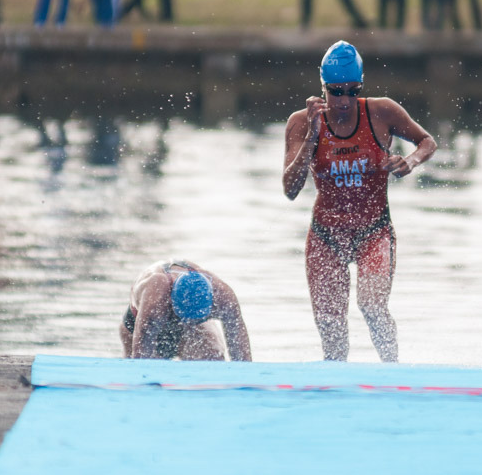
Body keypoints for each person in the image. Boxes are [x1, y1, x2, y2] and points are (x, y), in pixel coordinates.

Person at [282, 41, 437, 362]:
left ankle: (392, 370)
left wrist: (410, 161)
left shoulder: (382, 112)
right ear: (323, 87)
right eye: (336, 92)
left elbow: (427, 141)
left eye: (353, 91)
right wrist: (312, 136)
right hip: (326, 237)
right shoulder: (302, 122)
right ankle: (336, 383)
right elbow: (290, 189)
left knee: (372, 306)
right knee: (331, 327)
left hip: (374, 232)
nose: (344, 101)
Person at [120, 259, 252, 361]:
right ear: (171, 300)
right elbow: (140, 360)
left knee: (214, 356)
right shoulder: (156, 298)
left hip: (188, 328)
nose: (188, 322)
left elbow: (241, 354)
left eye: (197, 319)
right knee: (146, 364)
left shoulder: (223, 296)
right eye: (184, 318)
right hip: (140, 325)